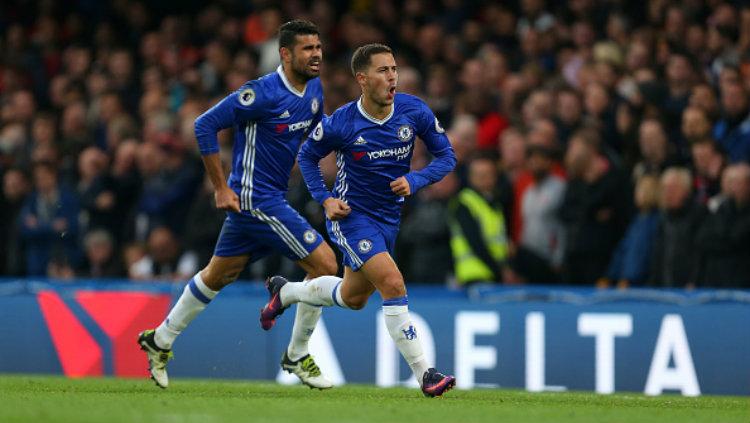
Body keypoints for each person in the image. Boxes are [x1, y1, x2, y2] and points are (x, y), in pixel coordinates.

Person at [137, 20, 338, 390]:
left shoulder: (313, 89)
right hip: (254, 198)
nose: (316, 55)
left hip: (269, 197)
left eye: (318, 47)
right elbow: (204, 125)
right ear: (285, 53)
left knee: (217, 275)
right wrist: (219, 187)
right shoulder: (261, 93)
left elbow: (317, 132)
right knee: (325, 265)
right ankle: (296, 354)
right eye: (308, 48)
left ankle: (160, 339)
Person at [260, 44, 457, 397]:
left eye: (394, 69)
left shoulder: (414, 111)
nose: (392, 76)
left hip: (389, 219)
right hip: (352, 217)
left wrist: (415, 180)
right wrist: (325, 199)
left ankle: (286, 291)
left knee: (353, 298)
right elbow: (307, 156)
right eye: (384, 70)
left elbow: (447, 157)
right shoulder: (342, 122)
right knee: (393, 284)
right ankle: (425, 374)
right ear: (362, 79)